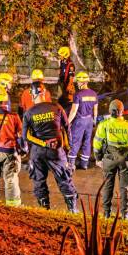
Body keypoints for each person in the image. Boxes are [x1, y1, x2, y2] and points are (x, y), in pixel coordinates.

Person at [22, 84, 79, 212]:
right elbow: (67, 128)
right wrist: (68, 148)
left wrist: (42, 144)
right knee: (64, 178)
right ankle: (73, 210)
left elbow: (25, 136)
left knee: (39, 180)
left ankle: (45, 211)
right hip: (56, 151)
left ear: (33, 95)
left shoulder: (29, 113)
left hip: (38, 152)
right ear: (44, 93)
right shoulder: (57, 107)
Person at [93, 100, 128, 218]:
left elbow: (97, 143)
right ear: (123, 112)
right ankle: (125, 214)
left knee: (107, 186)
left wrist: (98, 159)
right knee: (125, 187)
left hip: (109, 159)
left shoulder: (104, 125)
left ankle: (106, 213)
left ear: (110, 111)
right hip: (125, 160)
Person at [67, 72, 98, 170]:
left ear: (83, 82)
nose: (77, 84)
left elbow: (73, 111)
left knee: (75, 141)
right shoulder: (94, 94)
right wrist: (94, 121)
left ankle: (71, 164)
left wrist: (67, 122)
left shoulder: (78, 94)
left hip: (79, 121)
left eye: (78, 82)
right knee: (87, 141)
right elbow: (95, 110)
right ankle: (84, 163)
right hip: (89, 120)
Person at [57, 46, 76, 111]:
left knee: (67, 100)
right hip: (61, 82)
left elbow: (71, 77)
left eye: (60, 55)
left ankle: (67, 111)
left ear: (65, 55)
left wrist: (69, 86)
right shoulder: (62, 62)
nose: (59, 56)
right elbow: (61, 70)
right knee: (60, 99)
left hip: (67, 84)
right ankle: (60, 109)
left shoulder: (70, 64)